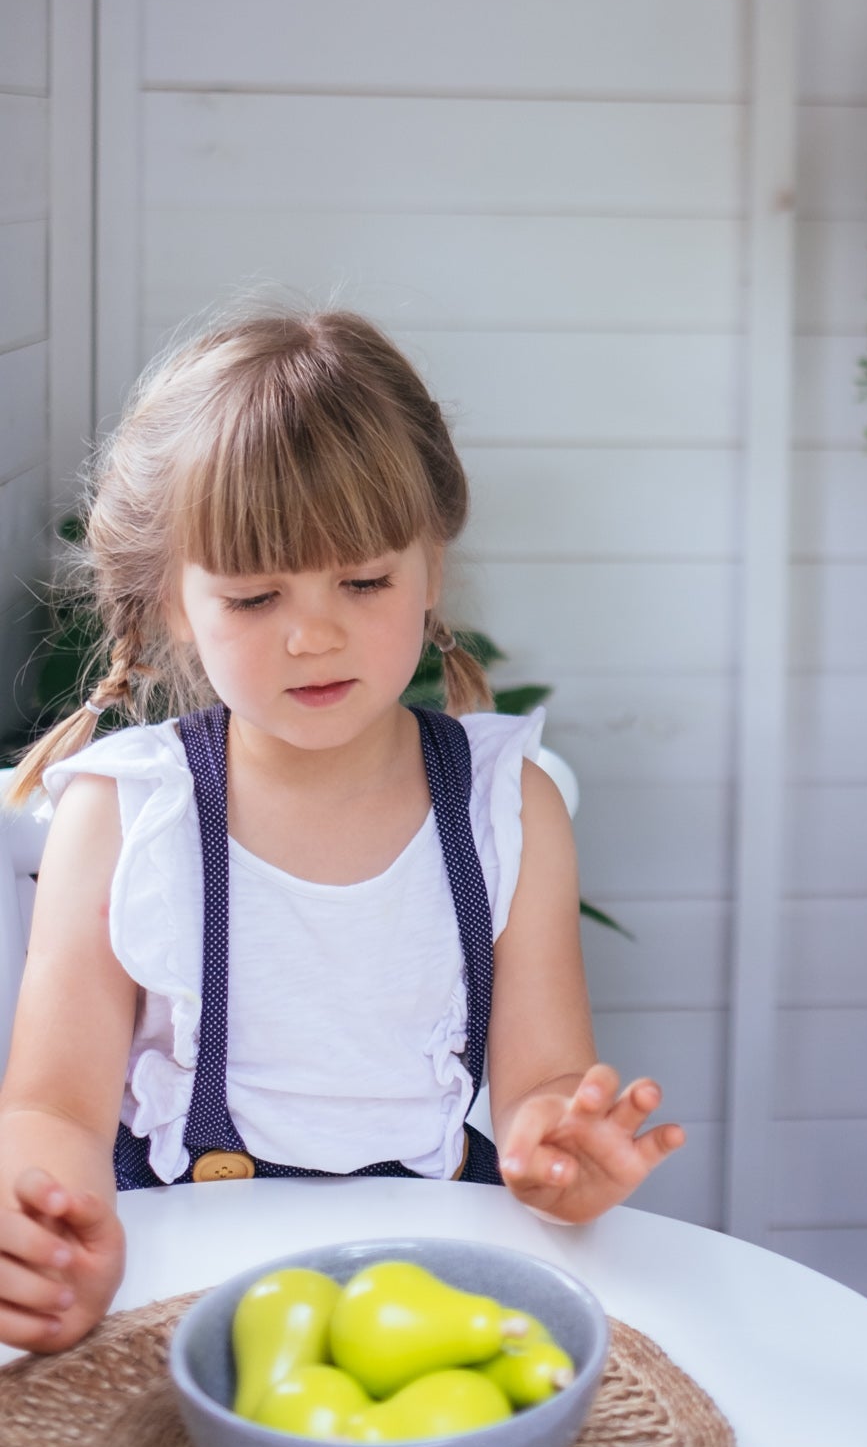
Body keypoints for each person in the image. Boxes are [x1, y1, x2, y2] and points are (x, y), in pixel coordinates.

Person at [0, 310, 682, 1355]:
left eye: (363, 582)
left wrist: (561, 1151)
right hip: (174, 1294)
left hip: (423, 1293)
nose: (313, 635)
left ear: (430, 568)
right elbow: (53, 1108)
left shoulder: (507, 807)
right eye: (255, 595)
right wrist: (47, 1218)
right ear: (178, 606)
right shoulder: (129, 816)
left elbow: (546, 1082)